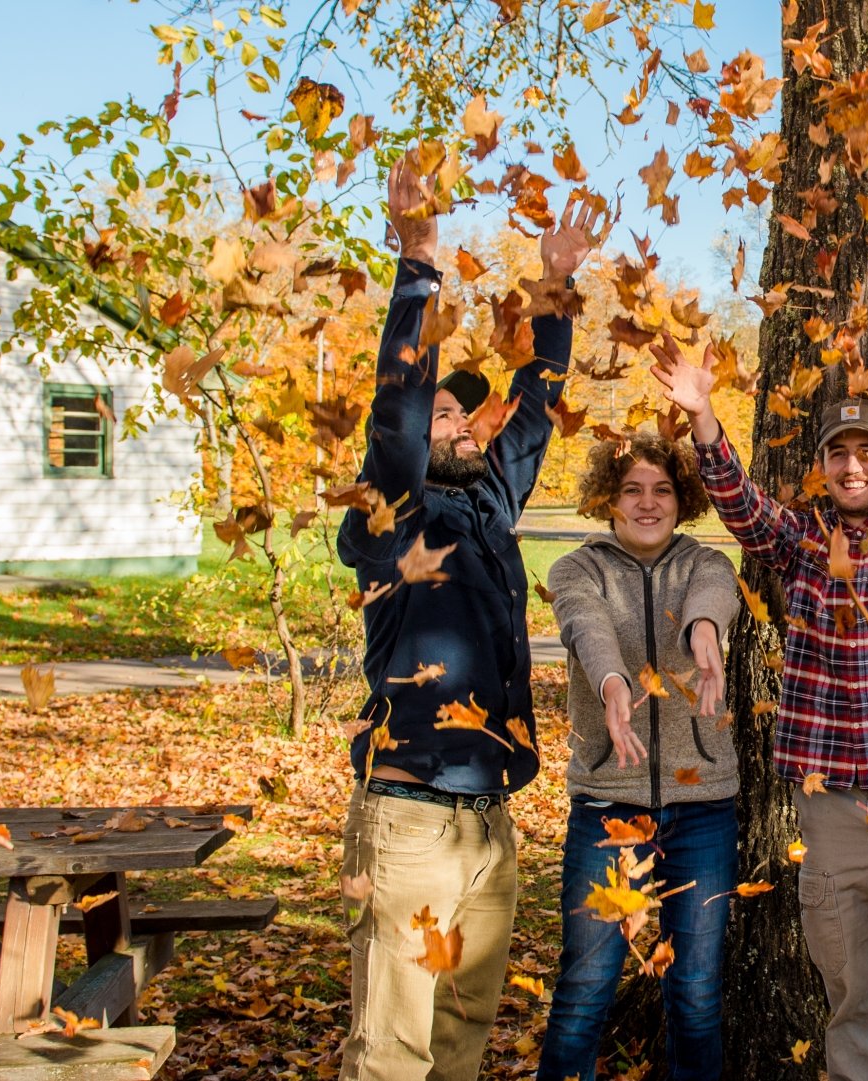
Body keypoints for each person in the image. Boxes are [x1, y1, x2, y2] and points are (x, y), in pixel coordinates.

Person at [653, 318, 868, 1081]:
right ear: (821, 466)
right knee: (852, 987)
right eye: (837, 453)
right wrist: (703, 417)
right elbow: (739, 503)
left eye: (866, 452)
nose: (851, 465)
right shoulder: (801, 541)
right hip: (833, 803)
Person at [334, 157, 606, 1081]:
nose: (453, 426)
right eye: (444, 413)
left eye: (462, 418)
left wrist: (557, 287)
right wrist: (419, 268)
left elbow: (532, 410)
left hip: (489, 820)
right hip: (408, 814)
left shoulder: (488, 506)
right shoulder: (390, 514)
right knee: (393, 1050)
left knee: (462, 1039)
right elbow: (398, 420)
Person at [536, 432, 742, 1081]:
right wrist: (614, 683)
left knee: (695, 994)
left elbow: (714, 602)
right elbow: (585, 625)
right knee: (587, 986)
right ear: (609, 498)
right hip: (607, 804)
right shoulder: (578, 568)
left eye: (662, 490)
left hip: (703, 807)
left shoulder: (707, 563)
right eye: (633, 490)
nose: (648, 503)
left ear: (683, 498)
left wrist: (704, 633)